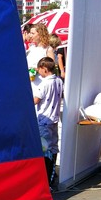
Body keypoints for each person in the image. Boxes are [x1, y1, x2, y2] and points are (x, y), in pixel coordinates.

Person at [32, 56, 63, 186]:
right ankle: (51, 176)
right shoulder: (59, 81)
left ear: (44, 69)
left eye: (39, 69)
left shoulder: (44, 83)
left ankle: (46, 179)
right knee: (53, 148)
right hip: (54, 120)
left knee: (45, 150)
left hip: (44, 120)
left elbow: (36, 100)